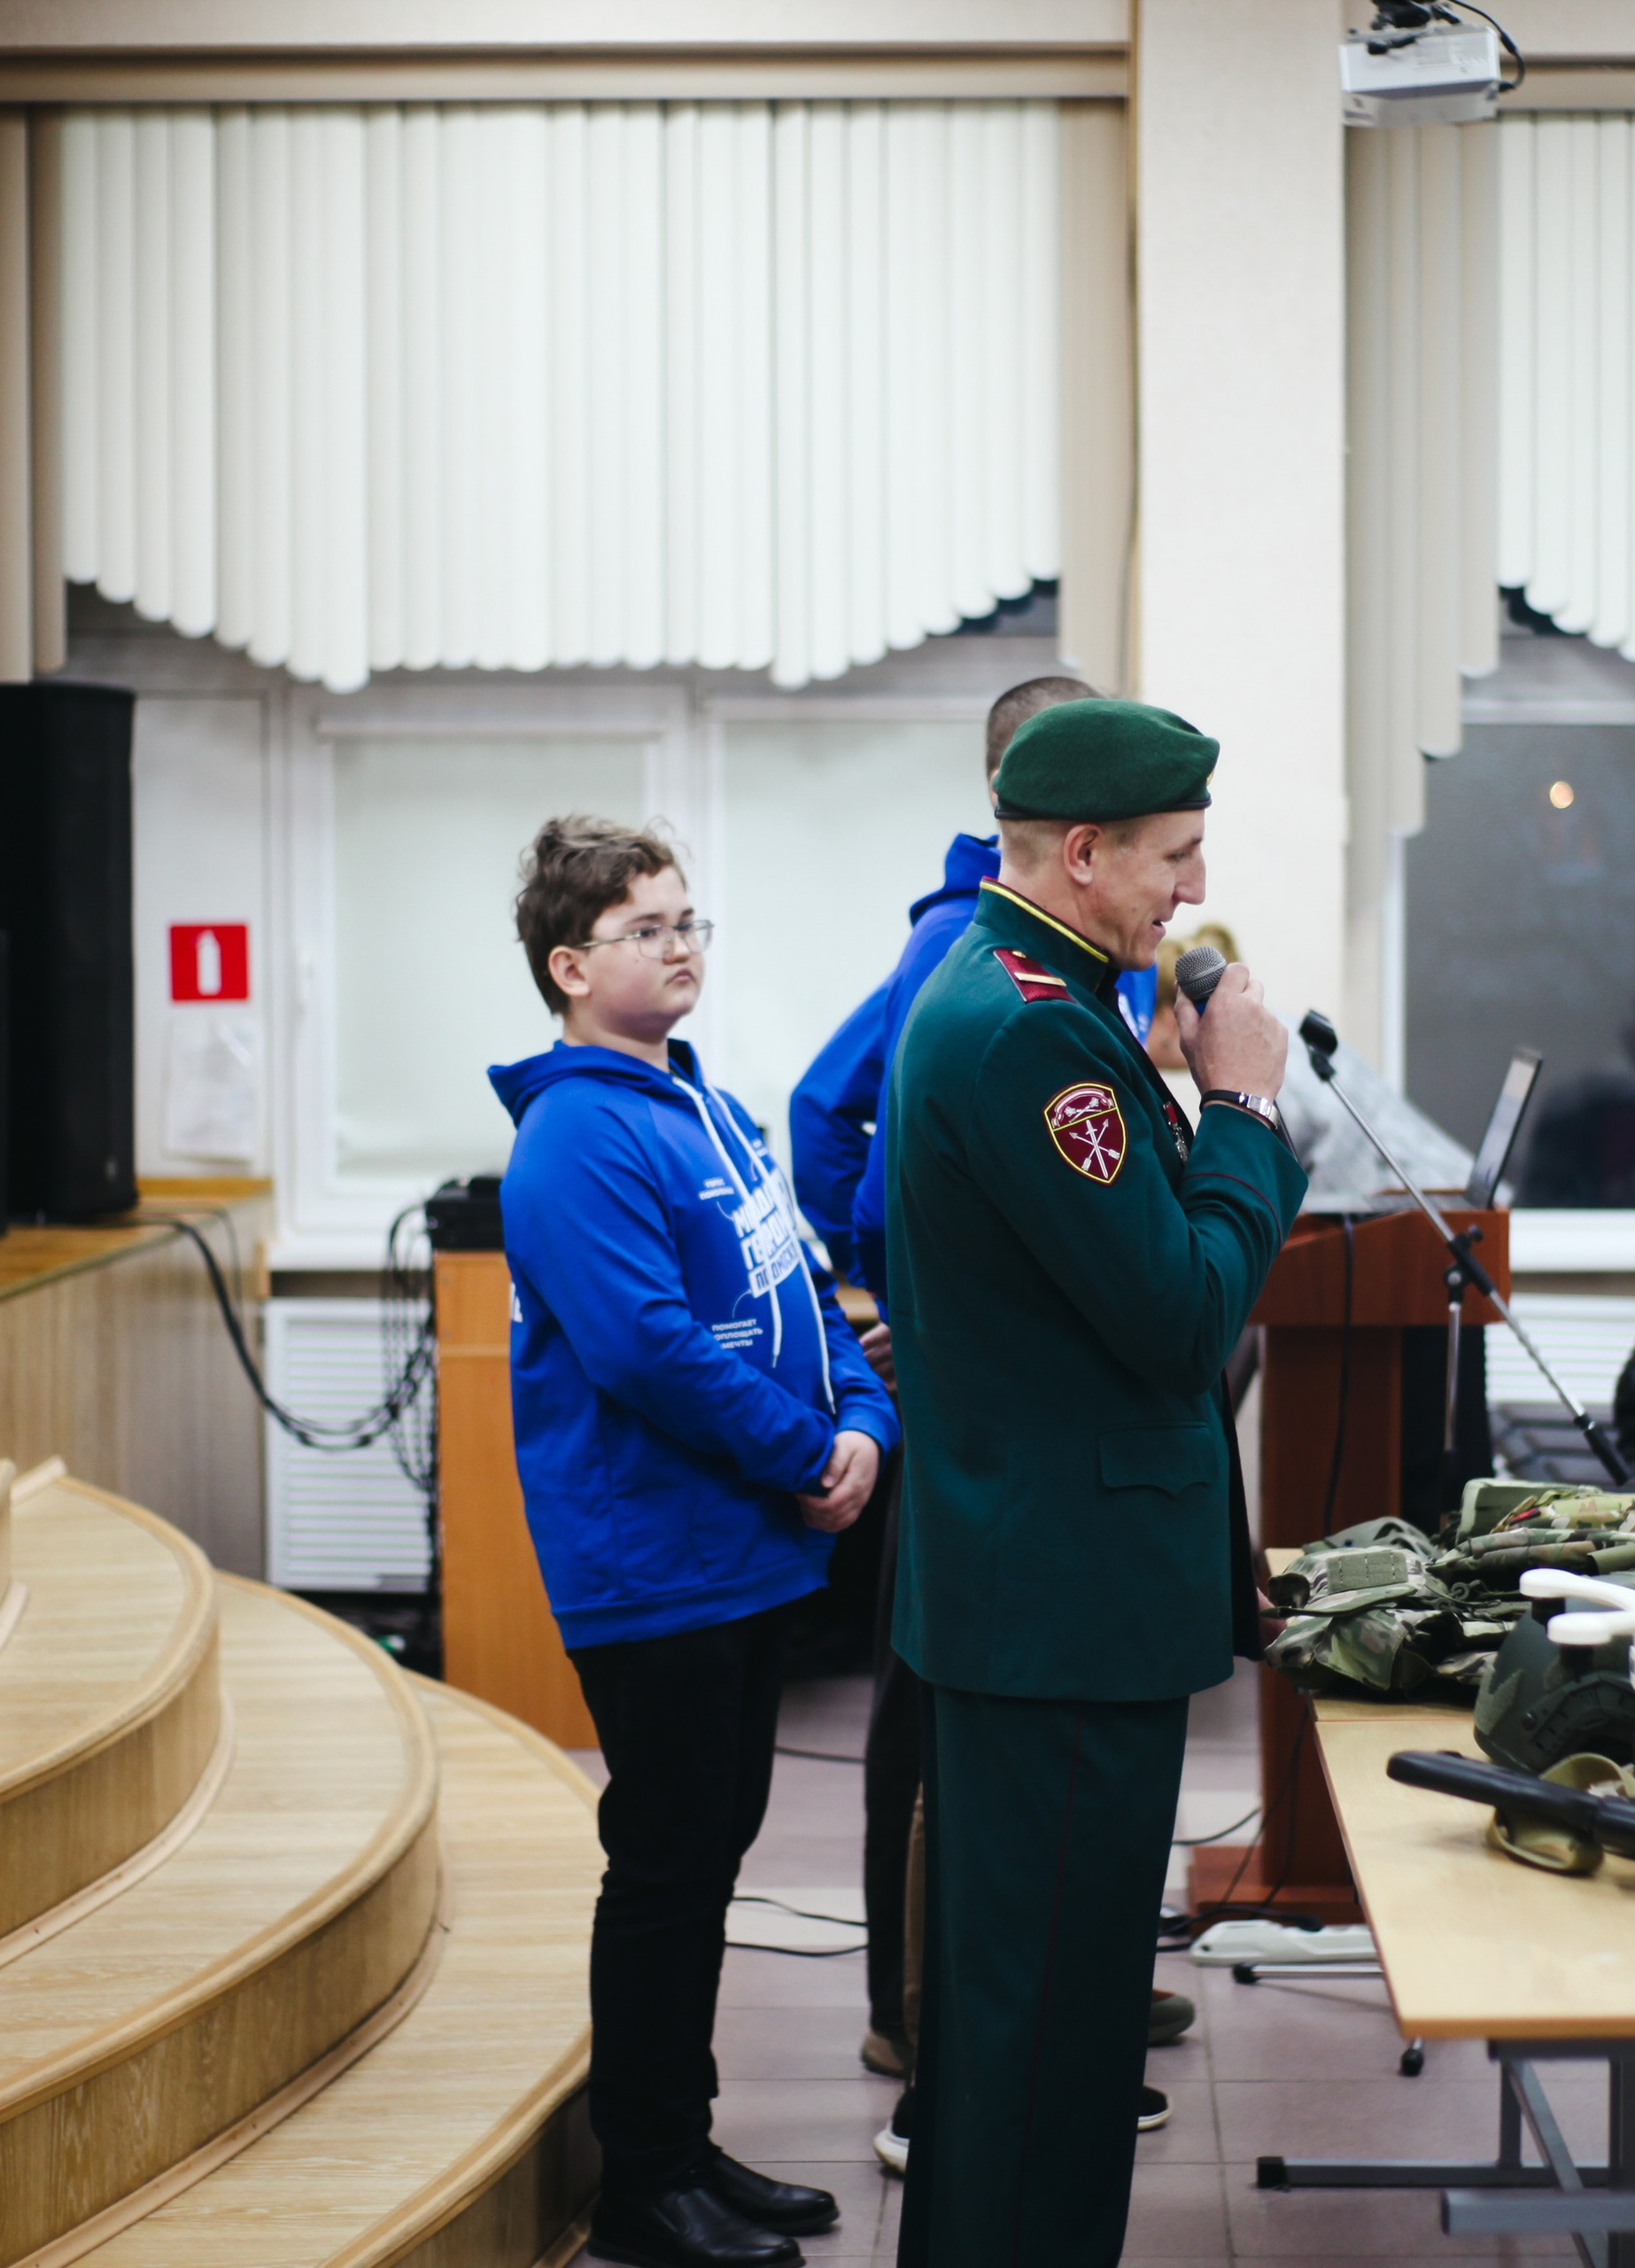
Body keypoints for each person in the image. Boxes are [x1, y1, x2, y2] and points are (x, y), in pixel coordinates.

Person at [886, 699, 1307, 2268]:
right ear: (1082, 853)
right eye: (1171, 860)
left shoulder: (1031, 995)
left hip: (1041, 1587)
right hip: (1060, 1610)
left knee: (1034, 2032)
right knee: (1045, 2044)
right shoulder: (1029, 1031)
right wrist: (1246, 1108)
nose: (1190, 896)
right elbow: (1182, 1311)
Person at [490, 816, 898, 2268]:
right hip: (652, 1565)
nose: (678, 946)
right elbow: (650, 1352)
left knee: (712, 1851)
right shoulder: (575, 1137)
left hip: (743, 1550)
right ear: (567, 964)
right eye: (644, 928)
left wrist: (862, 1418)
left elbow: (803, 1290)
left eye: (686, 921)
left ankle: (684, 2140)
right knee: (667, 1863)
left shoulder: (708, 1109)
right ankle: (643, 2186)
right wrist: (807, 1454)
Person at [785, 674, 1188, 2105]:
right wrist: (882, 1287)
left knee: (996, 1740)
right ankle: (927, 2018)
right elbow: (828, 1114)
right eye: (1164, 849)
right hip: (979, 1406)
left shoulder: (1062, 956)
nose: (1183, 882)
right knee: (939, 1722)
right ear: (1066, 825)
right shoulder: (973, 953)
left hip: (1012, 1399)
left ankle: (1060, 1988)